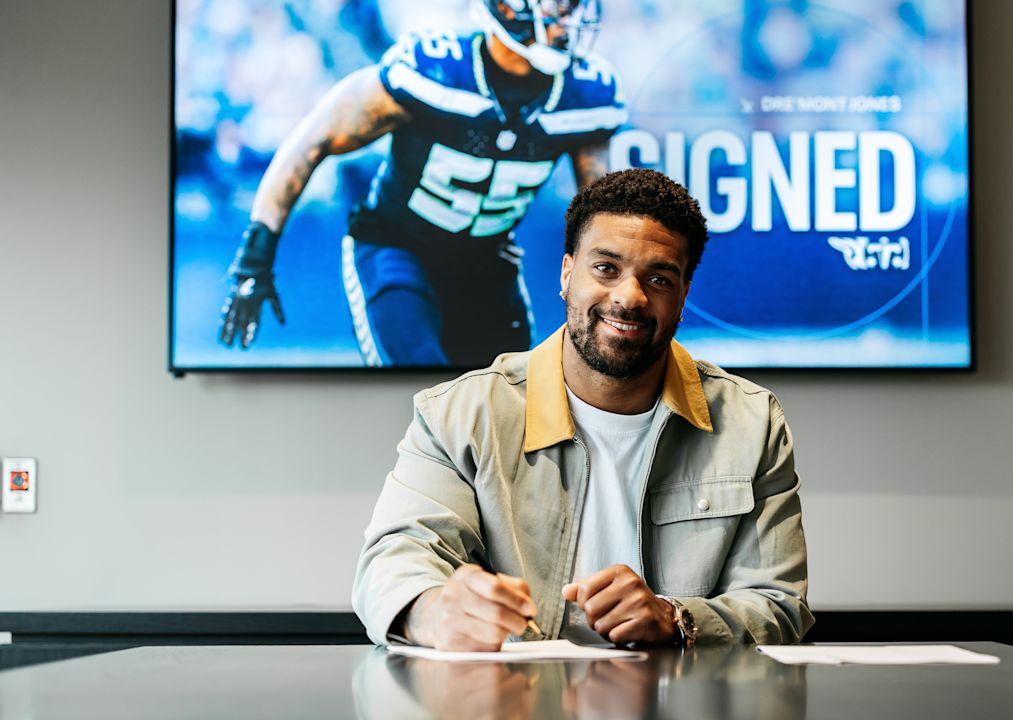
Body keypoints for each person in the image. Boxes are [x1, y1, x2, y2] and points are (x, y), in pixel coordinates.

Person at [353, 169, 811, 649]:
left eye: (658, 278)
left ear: (682, 298)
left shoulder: (752, 423)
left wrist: (676, 619)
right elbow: (392, 564)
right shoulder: (460, 415)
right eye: (606, 268)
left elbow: (778, 605)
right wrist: (433, 612)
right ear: (567, 273)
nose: (629, 297)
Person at [217, 0, 622, 367]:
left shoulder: (585, 94)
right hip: (397, 249)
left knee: (508, 405)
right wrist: (256, 255)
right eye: (559, 8)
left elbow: (598, 211)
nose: (571, 21)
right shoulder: (436, 68)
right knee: (418, 384)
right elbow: (313, 139)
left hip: (487, 262)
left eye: (575, 8)